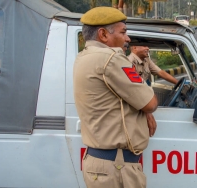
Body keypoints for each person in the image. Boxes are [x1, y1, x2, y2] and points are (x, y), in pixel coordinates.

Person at [73, 7, 158, 188]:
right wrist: (147, 108)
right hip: (117, 168)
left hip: (101, 164)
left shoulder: (84, 56)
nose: (128, 38)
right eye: (123, 32)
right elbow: (150, 103)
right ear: (103, 34)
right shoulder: (111, 59)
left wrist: (145, 111)